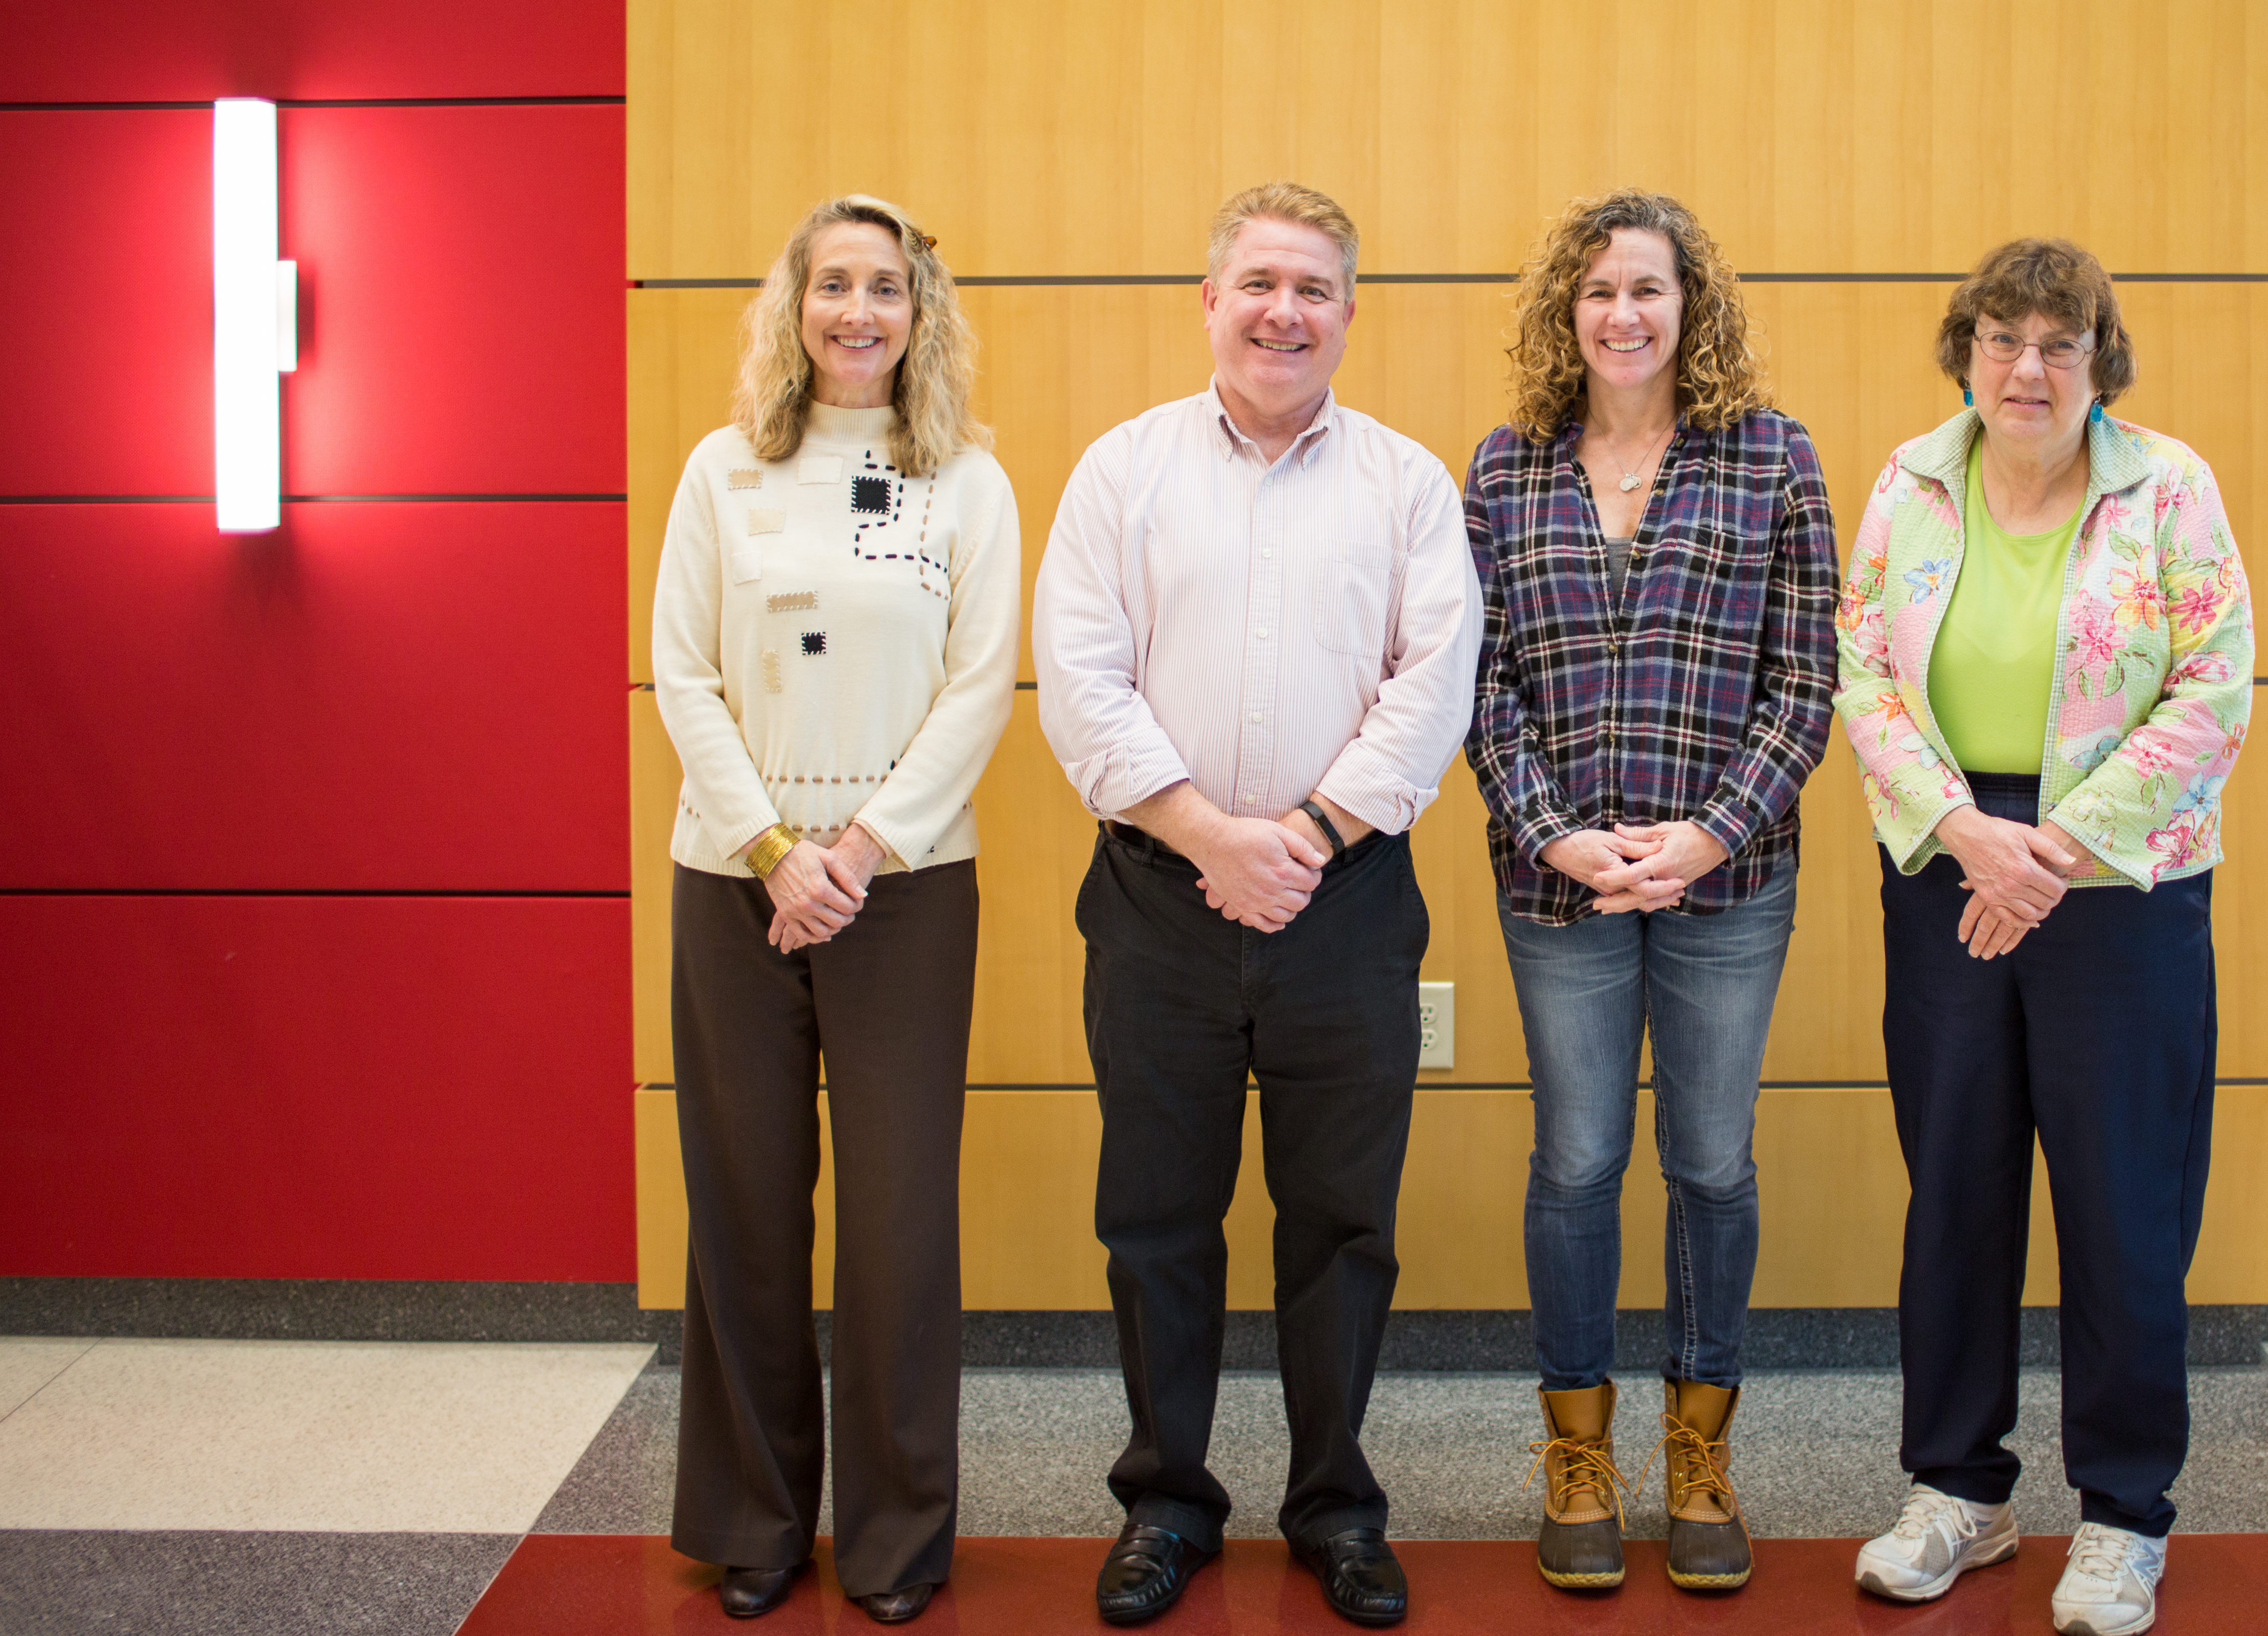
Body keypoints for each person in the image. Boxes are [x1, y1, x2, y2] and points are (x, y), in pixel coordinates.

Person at [1032, 182, 1482, 1630]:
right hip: (1156, 897)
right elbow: (1081, 674)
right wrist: (1206, 834)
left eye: (1314, 289)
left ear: (1349, 314)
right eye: (1259, 283)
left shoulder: (1406, 483)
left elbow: (1434, 685)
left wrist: (1297, 834)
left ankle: (1334, 1505)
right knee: (1155, 1215)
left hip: (1346, 902)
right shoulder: (1122, 471)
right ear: (1209, 299)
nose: (1284, 311)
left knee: (1340, 1218)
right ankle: (1166, 1502)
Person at [1834, 239, 2254, 1636]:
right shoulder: (1908, 481)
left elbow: (2212, 689)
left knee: (2123, 1203)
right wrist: (1967, 836)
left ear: (2098, 362)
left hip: (2118, 880)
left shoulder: (2168, 487)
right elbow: (1864, 675)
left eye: (2056, 344)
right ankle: (1957, 1487)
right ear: (1965, 349)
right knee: (1953, 1183)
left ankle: (2123, 1513)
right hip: (1952, 858)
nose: (2026, 367)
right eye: (2002, 338)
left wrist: (2054, 854)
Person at [650, 194, 1019, 1626]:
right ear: (792, 309)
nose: (857, 311)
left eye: (884, 288)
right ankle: (751, 1519)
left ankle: (892, 1535)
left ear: (920, 314)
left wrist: (855, 849)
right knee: (743, 1203)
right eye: (831, 286)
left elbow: (981, 685)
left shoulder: (966, 479)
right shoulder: (720, 471)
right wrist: (769, 847)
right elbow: (681, 675)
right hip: (733, 877)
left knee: (899, 1221)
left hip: (906, 888)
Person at [1462, 189, 1836, 1594]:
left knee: (1708, 1165)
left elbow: (1807, 678)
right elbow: (1475, 681)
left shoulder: (1769, 460)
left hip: (1725, 888)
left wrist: (1705, 836)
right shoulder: (1504, 471)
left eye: (1649, 289)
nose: (1624, 313)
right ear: (1567, 313)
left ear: (1693, 307)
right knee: (1573, 1164)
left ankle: (1697, 1453)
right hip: (1554, 887)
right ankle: (1575, 1455)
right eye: (1599, 291)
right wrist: (1555, 831)